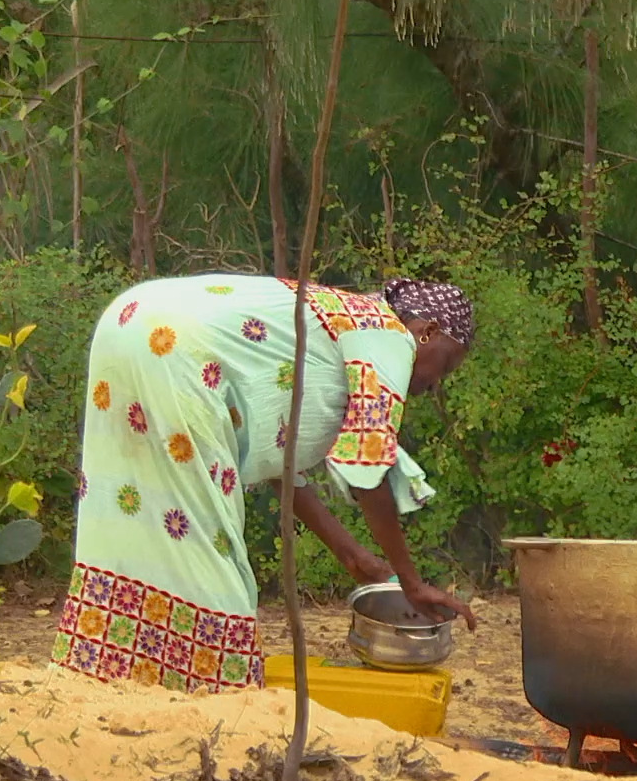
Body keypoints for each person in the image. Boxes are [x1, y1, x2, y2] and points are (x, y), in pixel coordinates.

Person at [51, 274, 477, 693]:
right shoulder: (386, 335)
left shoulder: (340, 325)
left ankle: (113, 674)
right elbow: (370, 472)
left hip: (128, 320)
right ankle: (218, 690)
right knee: (209, 546)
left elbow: (281, 467)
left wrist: (355, 557)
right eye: (447, 363)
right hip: (180, 348)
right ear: (427, 331)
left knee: (137, 511)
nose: (436, 383)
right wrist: (412, 582)